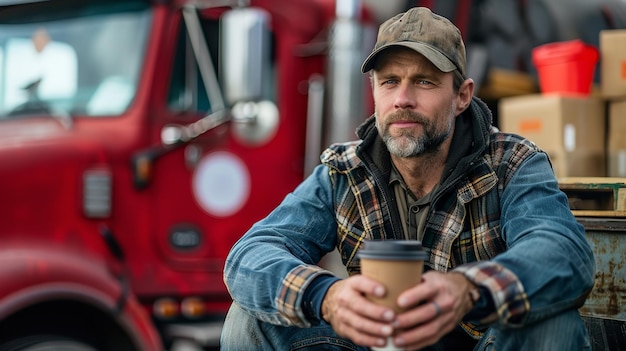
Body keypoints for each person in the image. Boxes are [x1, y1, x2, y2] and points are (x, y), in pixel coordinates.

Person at [221, 6, 595, 351]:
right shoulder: (343, 171)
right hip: (377, 342)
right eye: (389, 81)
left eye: (424, 82)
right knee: (248, 320)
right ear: (374, 92)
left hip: (482, 343)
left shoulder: (512, 162)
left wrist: (468, 289)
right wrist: (327, 297)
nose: (402, 99)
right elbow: (249, 255)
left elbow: (564, 252)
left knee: (553, 325)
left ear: (462, 95)